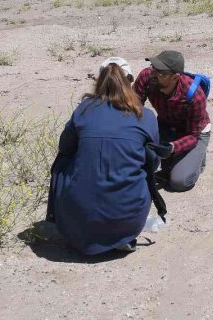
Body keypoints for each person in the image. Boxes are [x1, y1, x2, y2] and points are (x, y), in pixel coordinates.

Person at [47, 57, 159, 255]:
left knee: (63, 161)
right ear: (131, 82)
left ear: (100, 81)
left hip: (75, 226)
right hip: (127, 220)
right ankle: (119, 230)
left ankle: (63, 216)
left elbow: (65, 148)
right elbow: (154, 161)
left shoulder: (83, 110)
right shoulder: (145, 115)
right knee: (145, 164)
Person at [134, 50, 212, 193]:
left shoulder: (194, 95)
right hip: (166, 124)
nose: (154, 74)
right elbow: (133, 108)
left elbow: (194, 135)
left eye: (161, 73)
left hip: (193, 133)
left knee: (179, 182)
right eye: (154, 68)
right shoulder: (147, 76)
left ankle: (198, 159)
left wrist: (172, 147)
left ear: (175, 77)